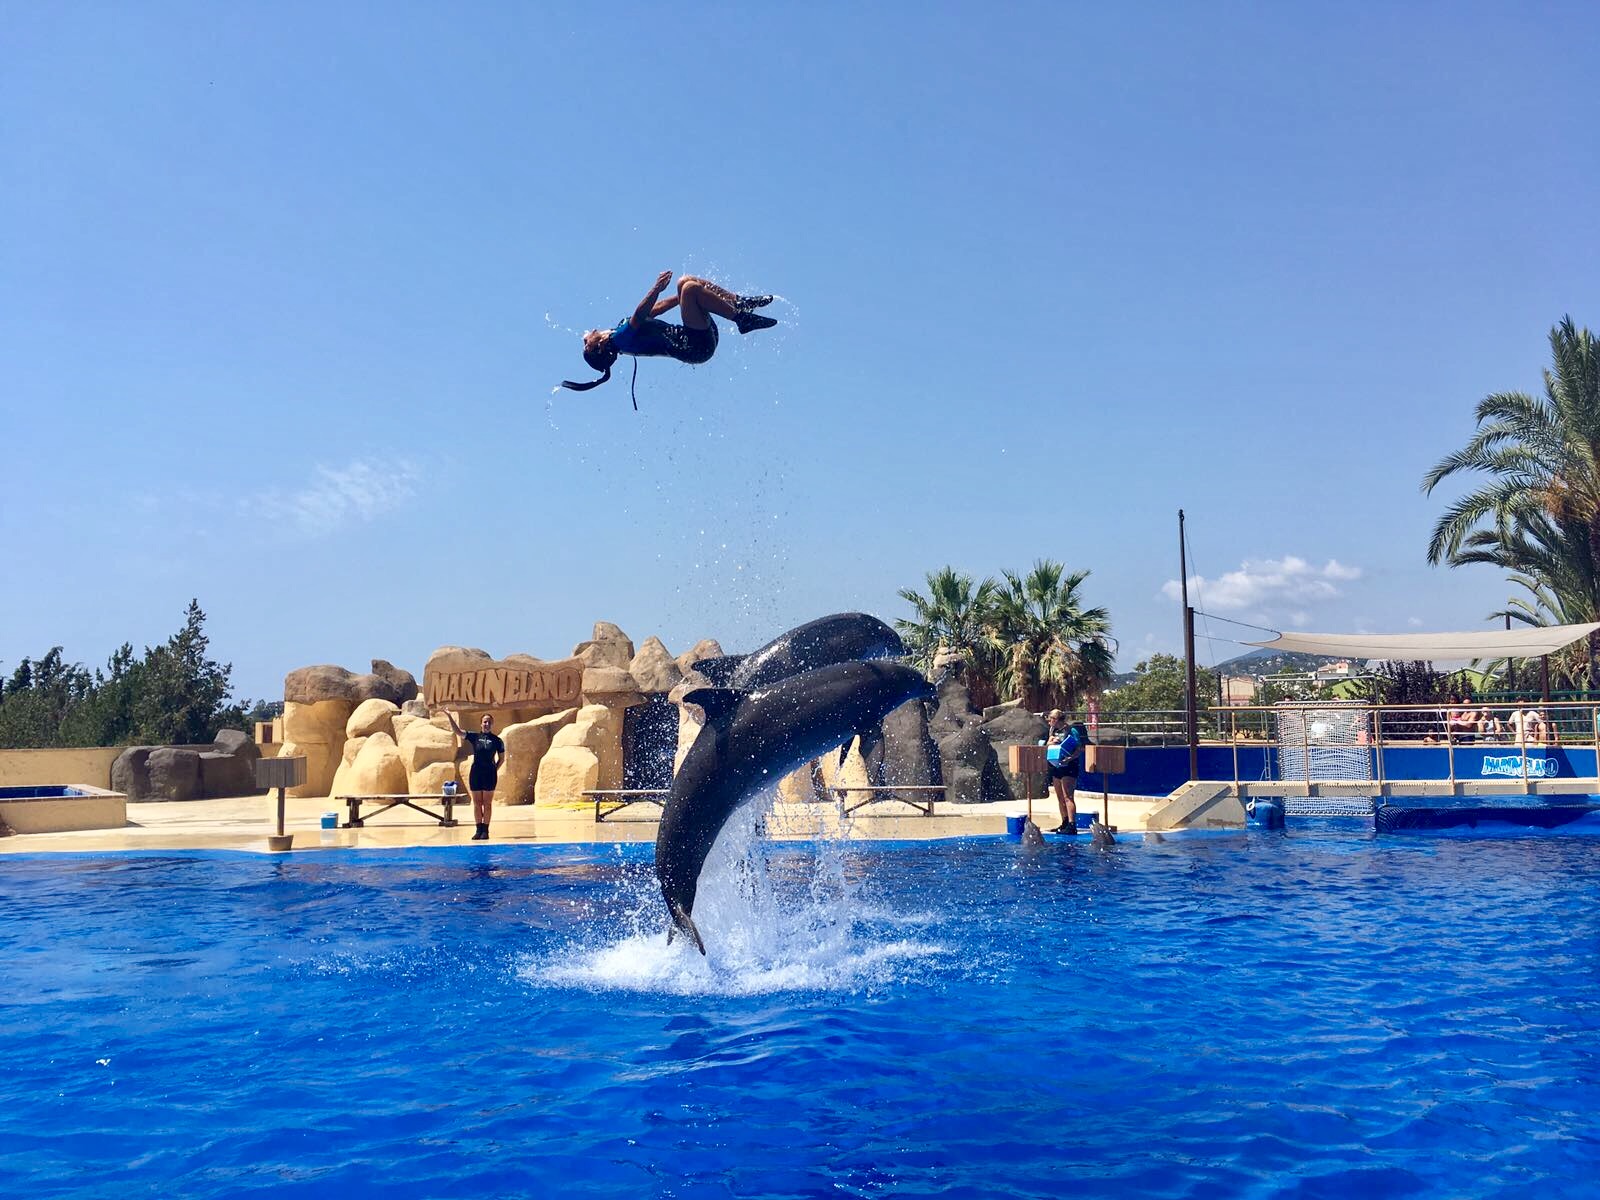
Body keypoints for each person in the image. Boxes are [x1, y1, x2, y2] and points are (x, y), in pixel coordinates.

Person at [560, 271, 777, 399]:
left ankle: (738, 303)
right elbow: (640, 314)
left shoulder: (619, 332)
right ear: (598, 347)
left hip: (696, 336)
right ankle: (742, 320)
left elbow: (658, 308)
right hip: (695, 346)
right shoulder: (621, 340)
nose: (585, 337)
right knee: (690, 288)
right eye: (585, 344)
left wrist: (682, 295)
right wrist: (656, 288)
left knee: (686, 282)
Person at [446, 711, 505, 841]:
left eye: (489, 722)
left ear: (492, 724)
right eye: (485, 721)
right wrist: (449, 716)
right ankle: (478, 829)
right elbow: (458, 732)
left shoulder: (497, 740)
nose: (487, 724)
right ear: (481, 723)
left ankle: (486, 830)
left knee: (487, 804)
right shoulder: (475, 737)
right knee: (477, 803)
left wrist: (494, 769)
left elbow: (502, 758)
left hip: (489, 774)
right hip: (476, 773)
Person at [1045, 709, 1085, 835]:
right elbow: (1048, 746)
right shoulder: (1053, 731)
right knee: (1060, 797)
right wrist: (1049, 742)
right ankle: (1065, 822)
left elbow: (1078, 749)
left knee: (1068, 796)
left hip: (1069, 765)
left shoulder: (1071, 730)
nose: (1049, 720)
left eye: (1051, 718)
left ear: (1058, 719)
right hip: (1056, 765)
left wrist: (1069, 758)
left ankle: (1072, 825)